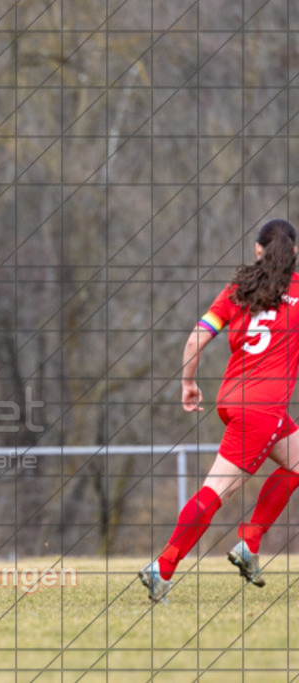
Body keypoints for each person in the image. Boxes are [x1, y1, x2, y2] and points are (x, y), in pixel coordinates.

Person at [140, 219, 299, 603]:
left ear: (257, 250)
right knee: (216, 492)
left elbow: (197, 337)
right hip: (263, 409)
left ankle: (250, 541)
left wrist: (188, 382)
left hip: (236, 400)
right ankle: (162, 568)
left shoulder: (236, 290)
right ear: (294, 253)